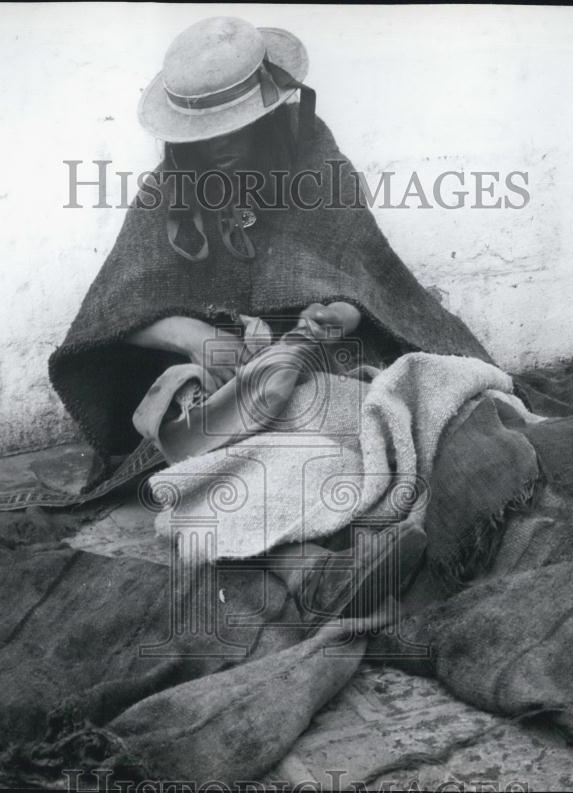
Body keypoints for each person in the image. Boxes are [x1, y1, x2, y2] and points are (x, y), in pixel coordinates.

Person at [48, 16, 497, 621]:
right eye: (203, 133)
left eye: (234, 127)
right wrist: (191, 334)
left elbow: (363, 286)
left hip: (312, 363)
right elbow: (111, 314)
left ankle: (374, 540)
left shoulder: (319, 168)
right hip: (211, 393)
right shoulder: (170, 190)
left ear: (272, 105)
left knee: (390, 412)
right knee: (207, 457)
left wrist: (334, 315)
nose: (218, 145)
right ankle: (309, 570)